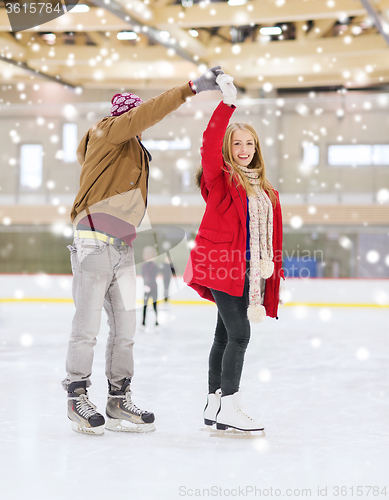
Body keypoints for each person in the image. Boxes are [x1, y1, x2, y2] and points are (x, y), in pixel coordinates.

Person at [62, 67, 224, 435]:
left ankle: (118, 399)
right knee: (87, 326)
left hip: (122, 247)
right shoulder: (108, 130)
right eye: (133, 118)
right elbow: (144, 114)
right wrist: (191, 89)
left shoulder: (133, 148)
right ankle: (76, 396)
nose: (139, 124)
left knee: (126, 329)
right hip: (93, 241)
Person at [184, 74, 284, 433]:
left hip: (249, 270)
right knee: (240, 335)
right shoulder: (221, 179)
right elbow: (208, 145)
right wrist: (226, 105)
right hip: (221, 265)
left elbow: (272, 234)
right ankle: (230, 404)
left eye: (250, 144)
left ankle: (214, 402)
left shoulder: (265, 189)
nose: (244, 150)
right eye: (237, 144)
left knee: (224, 336)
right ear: (229, 148)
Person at [141, 246, 159, 326]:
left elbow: (153, 276)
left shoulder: (155, 266)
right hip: (146, 288)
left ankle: (156, 320)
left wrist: (149, 286)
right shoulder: (143, 266)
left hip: (153, 288)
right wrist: (145, 285)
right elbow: (144, 277)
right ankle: (143, 320)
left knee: (154, 305)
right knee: (145, 305)